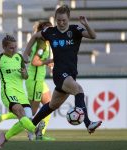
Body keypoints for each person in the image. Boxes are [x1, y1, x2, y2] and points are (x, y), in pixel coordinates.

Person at [23, 5, 102, 134]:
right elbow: (35, 36)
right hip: (59, 73)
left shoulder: (75, 30)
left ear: (68, 19)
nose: (61, 23)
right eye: (58, 20)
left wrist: (86, 24)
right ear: (55, 19)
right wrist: (26, 53)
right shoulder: (50, 31)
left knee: (52, 105)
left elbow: (93, 36)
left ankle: (31, 126)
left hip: (71, 73)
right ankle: (88, 123)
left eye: (64, 20)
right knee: (78, 89)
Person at [0, 21, 55, 141]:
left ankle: (38, 133)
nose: (51, 32)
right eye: (48, 29)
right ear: (43, 31)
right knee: (30, 112)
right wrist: (48, 61)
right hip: (35, 80)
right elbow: (35, 62)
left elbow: (34, 59)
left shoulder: (45, 43)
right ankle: (33, 132)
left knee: (49, 106)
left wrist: (47, 63)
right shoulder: (42, 43)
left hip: (39, 79)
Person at [0, 34, 36, 148]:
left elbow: (26, 76)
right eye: (11, 48)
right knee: (20, 112)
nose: (14, 50)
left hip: (21, 93)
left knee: (26, 119)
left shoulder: (19, 57)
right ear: (4, 47)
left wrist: (25, 74)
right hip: (8, 92)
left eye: (15, 47)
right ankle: (36, 130)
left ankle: (5, 136)